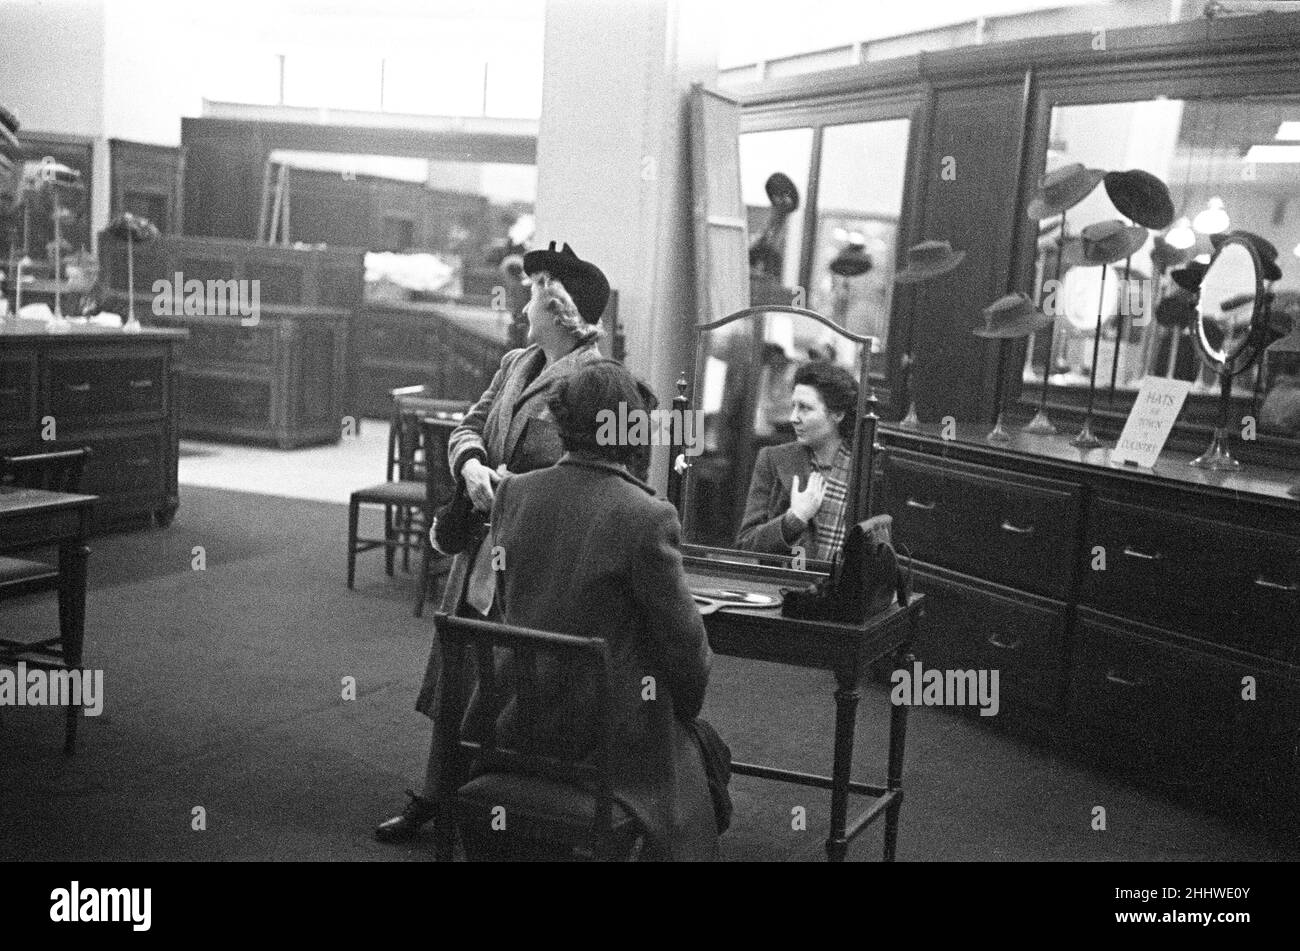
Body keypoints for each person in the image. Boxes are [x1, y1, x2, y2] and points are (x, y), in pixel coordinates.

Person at [376, 241, 610, 843]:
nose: (522, 301)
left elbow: (588, 472)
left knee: (506, 684)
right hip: (480, 548)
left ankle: (496, 808)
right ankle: (435, 794)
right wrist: (473, 464)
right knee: (457, 674)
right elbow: (468, 424)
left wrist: (512, 489)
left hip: (532, 558)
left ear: (558, 308)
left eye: (532, 292)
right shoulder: (516, 363)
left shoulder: (594, 381)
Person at [458, 360, 725, 860]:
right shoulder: (646, 515)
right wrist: (678, 712)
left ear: (561, 422)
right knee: (702, 751)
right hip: (600, 741)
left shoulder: (513, 494)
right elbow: (688, 656)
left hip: (513, 724)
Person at [736, 360, 857, 561]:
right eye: (794, 406)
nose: (793, 417)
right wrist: (795, 518)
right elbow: (746, 545)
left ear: (837, 414)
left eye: (805, 408)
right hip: (783, 588)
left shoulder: (862, 468)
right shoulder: (773, 459)